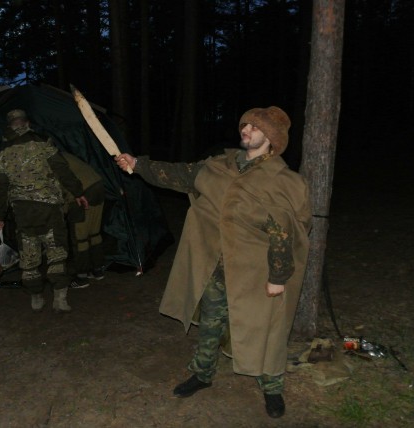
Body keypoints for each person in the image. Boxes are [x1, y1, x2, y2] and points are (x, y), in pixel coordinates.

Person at [114, 107, 311, 420]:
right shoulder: (219, 165)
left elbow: (284, 232)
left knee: (266, 329)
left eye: (255, 127)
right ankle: (203, 373)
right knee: (209, 323)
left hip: (256, 272)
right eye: (244, 123)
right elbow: (179, 174)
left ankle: (271, 386)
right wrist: (138, 164)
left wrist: (278, 276)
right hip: (215, 266)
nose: (245, 129)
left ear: (271, 139)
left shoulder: (282, 180)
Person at [0, 109, 88, 313]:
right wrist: (78, 192)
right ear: (26, 123)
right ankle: (60, 299)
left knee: (29, 254)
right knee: (57, 252)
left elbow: (0, 188)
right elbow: (62, 170)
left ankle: (36, 297)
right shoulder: (44, 143)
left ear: (10, 126)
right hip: (49, 208)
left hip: (22, 212)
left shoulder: (2, 153)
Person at [61, 152, 107, 289]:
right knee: (94, 233)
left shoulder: (51, 159)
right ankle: (97, 270)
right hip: (98, 186)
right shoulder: (64, 154)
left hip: (82, 193)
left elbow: (63, 187)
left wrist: (63, 211)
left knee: (80, 238)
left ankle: (81, 278)